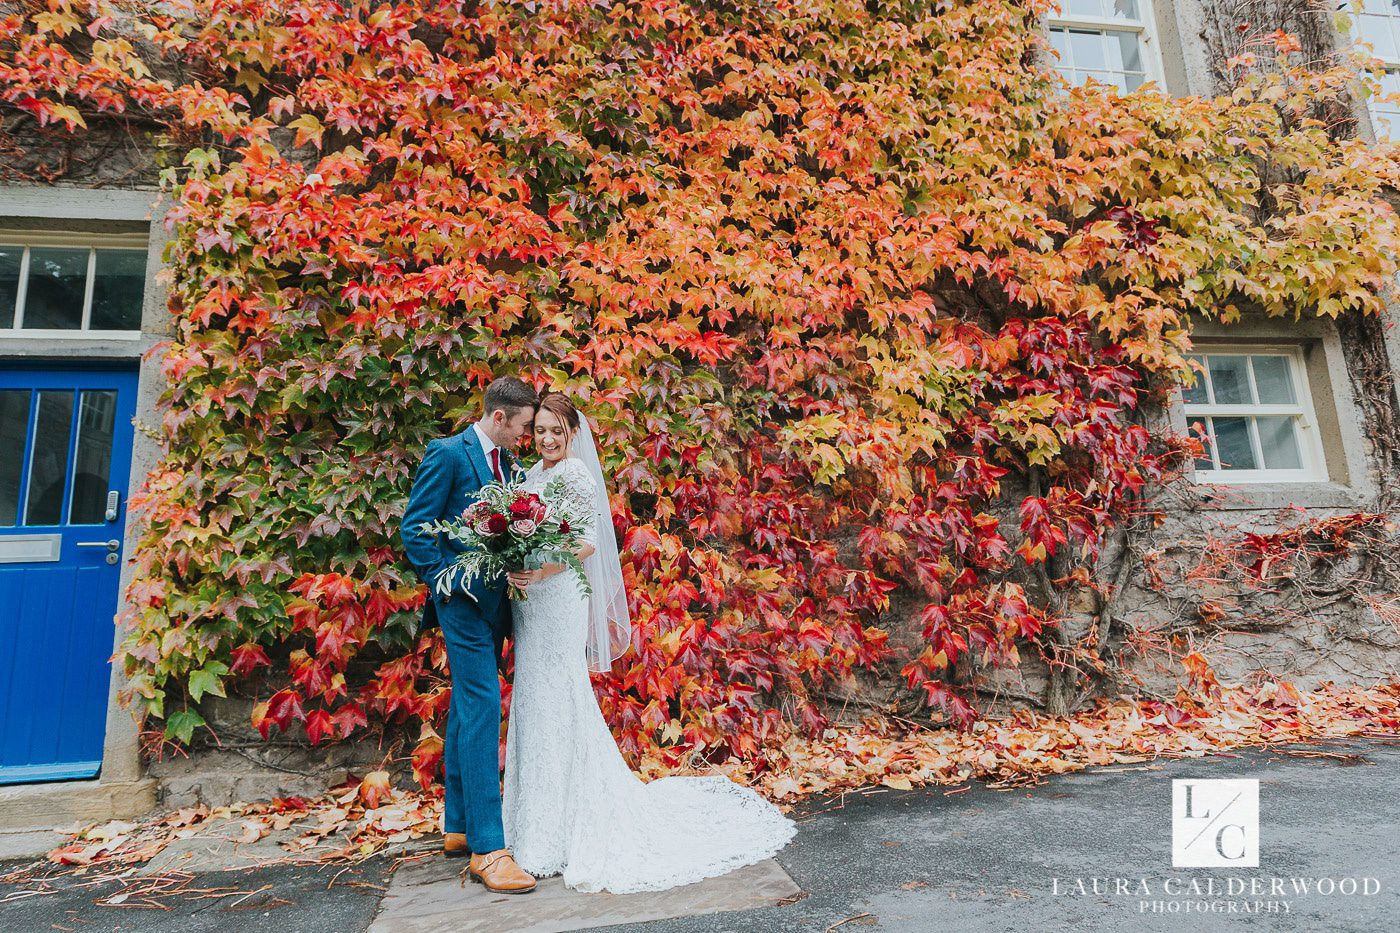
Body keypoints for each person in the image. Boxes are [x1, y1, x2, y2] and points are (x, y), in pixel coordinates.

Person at [501, 392, 796, 894]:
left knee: (559, 695)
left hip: (559, 592)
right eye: (542, 430)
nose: (548, 439)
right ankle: (534, 825)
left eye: (557, 431)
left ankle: (561, 829)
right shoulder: (531, 478)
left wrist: (539, 568)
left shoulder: (574, 475)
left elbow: (587, 542)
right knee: (535, 698)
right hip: (532, 604)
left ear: (573, 432)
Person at [400, 375, 539, 894]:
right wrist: (444, 581)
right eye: (522, 428)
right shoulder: (449, 453)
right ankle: (488, 848)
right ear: (499, 417)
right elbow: (416, 526)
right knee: (482, 706)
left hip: (498, 609)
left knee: (466, 706)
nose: (525, 438)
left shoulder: (513, 468)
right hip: (461, 605)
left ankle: (457, 825)